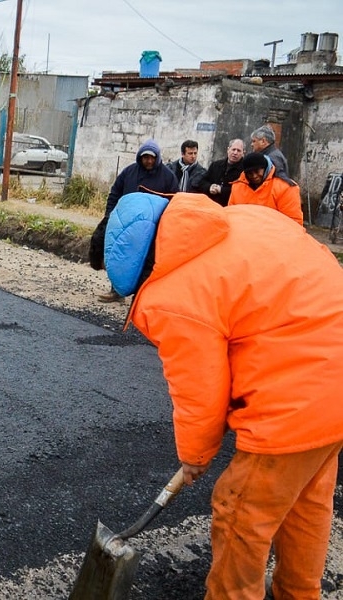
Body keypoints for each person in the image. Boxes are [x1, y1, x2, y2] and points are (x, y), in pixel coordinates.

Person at [102, 190, 343, 600]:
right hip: (333, 390)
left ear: (142, 270)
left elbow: (200, 388)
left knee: (239, 512)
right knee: (305, 503)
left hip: (293, 401)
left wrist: (195, 456)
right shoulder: (242, 218)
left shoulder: (174, 291)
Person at [90, 139, 178, 303]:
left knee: (147, 261)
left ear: (157, 157)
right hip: (126, 226)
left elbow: (175, 200)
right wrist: (110, 215)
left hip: (153, 228)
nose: (149, 161)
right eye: (145, 157)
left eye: (152, 158)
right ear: (140, 157)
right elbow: (115, 193)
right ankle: (116, 291)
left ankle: (141, 296)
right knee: (121, 255)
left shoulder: (167, 176)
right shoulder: (129, 172)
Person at [228, 152, 303, 225]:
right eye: (250, 173)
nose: (254, 176)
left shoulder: (285, 188)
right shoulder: (237, 187)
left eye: (257, 171)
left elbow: (293, 223)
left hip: (275, 235)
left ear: (265, 168)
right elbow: (231, 215)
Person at [197, 138, 245, 206]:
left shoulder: (245, 170)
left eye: (239, 150)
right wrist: (209, 187)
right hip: (210, 205)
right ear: (228, 149)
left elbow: (242, 191)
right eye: (233, 149)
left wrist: (221, 190)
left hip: (230, 207)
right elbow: (202, 182)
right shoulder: (216, 165)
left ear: (243, 153)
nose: (235, 153)